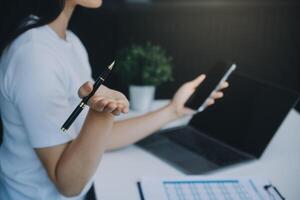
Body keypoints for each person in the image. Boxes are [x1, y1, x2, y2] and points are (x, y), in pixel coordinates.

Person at [0, 0, 229, 199]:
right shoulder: (34, 57)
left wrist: (174, 110)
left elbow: (94, 141)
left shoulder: (68, 41)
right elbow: (68, 184)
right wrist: (102, 113)